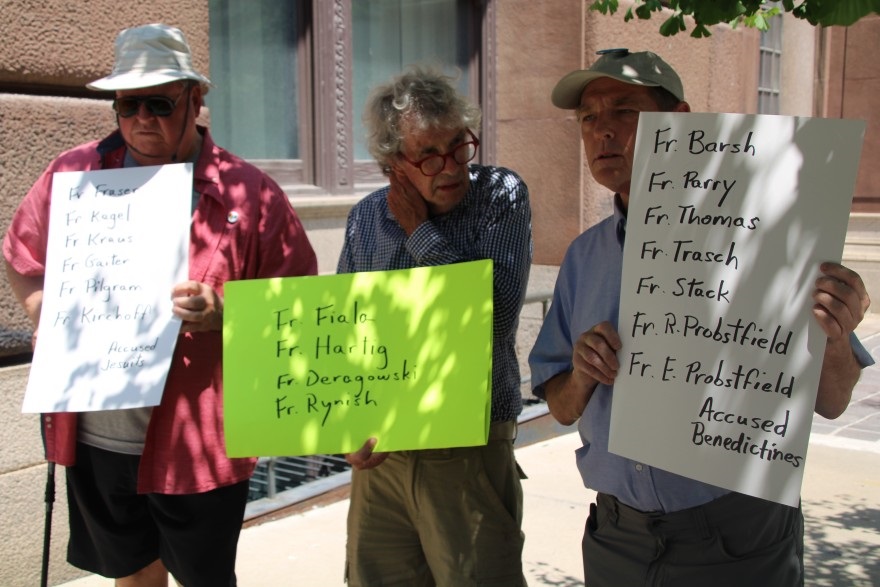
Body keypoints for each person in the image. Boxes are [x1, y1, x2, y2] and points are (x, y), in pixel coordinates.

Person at [528, 48, 874, 586]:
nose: (603, 133)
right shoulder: (584, 256)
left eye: (625, 112)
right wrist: (581, 374)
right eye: (588, 119)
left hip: (736, 537)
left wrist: (834, 333)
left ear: (680, 122)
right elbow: (561, 407)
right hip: (618, 537)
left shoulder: (764, 236)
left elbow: (832, 401)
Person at [3, 23, 317, 586]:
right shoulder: (75, 173)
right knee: (132, 576)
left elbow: (298, 305)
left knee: (205, 579)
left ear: (196, 101)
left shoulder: (249, 193)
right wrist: (43, 311)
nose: (141, 118)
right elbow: (21, 252)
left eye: (159, 103)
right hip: (97, 435)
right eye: (127, 104)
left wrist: (227, 312)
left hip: (198, 445)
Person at [338, 65, 533, 586]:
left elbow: (491, 316)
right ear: (391, 166)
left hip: (468, 448)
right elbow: (344, 336)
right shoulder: (364, 218)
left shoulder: (500, 196)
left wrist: (419, 231)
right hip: (384, 456)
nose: (451, 167)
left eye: (458, 146)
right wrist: (345, 428)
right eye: (429, 155)